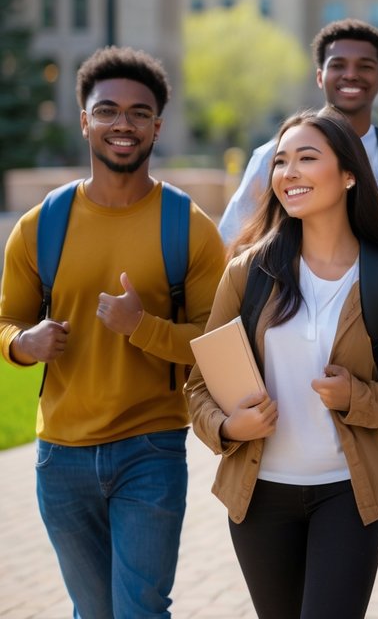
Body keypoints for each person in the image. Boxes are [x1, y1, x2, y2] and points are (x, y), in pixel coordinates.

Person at [0, 47, 226, 618]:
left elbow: (217, 343)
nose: (122, 123)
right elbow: (6, 320)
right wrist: (21, 345)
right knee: (92, 612)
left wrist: (142, 328)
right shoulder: (40, 226)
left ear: (157, 126)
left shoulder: (188, 227)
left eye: (137, 112)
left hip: (150, 447)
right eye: (107, 110)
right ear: (84, 120)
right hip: (61, 453)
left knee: (141, 610)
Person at [186, 109, 378, 619]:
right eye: (280, 161)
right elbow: (198, 387)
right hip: (260, 498)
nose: (288, 172)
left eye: (306, 158)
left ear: (348, 175)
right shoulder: (247, 273)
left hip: (348, 494)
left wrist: (355, 397)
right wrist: (230, 426)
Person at [219, 18, 378, 245]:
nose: (350, 74)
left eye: (365, 66)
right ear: (320, 77)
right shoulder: (273, 157)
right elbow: (232, 239)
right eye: (338, 65)